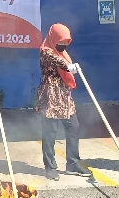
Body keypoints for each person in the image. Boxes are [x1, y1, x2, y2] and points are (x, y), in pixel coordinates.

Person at [35, 24, 91, 181]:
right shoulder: (45, 51)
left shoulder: (62, 52)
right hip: (51, 94)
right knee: (50, 132)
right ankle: (50, 167)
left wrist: (70, 66)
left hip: (64, 95)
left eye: (66, 42)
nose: (64, 45)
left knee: (73, 126)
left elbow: (62, 60)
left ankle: (72, 163)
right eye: (61, 41)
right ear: (54, 38)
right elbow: (56, 60)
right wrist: (68, 66)